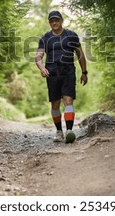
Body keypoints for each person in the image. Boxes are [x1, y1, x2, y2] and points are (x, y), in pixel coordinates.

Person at [35, 10, 88, 143]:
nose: (54, 22)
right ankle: (59, 132)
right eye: (52, 20)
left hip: (68, 71)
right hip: (52, 73)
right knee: (55, 104)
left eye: (57, 20)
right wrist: (42, 68)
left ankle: (69, 131)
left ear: (61, 20)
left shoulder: (71, 35)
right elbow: (38, 57)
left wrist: (84, 72)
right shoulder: (45, 38)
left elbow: (80, 55)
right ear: (49, 22)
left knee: (68, 101)